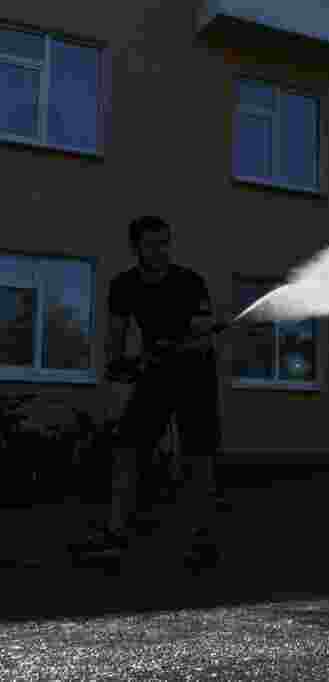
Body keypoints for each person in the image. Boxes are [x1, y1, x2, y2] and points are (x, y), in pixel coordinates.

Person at [71, 216, 224, 565]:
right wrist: (119, 365)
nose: (161, 251)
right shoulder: (124, 285)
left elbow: (201, 336)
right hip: (155, 374)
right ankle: (115, 534)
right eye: (153, 244)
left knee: (198, 457)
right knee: (126, 449)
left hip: (195, 375)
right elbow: (115, 337)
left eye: (165, 243)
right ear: (136, 247)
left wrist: (175, 345)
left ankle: (202, 539)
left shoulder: (189, 282)